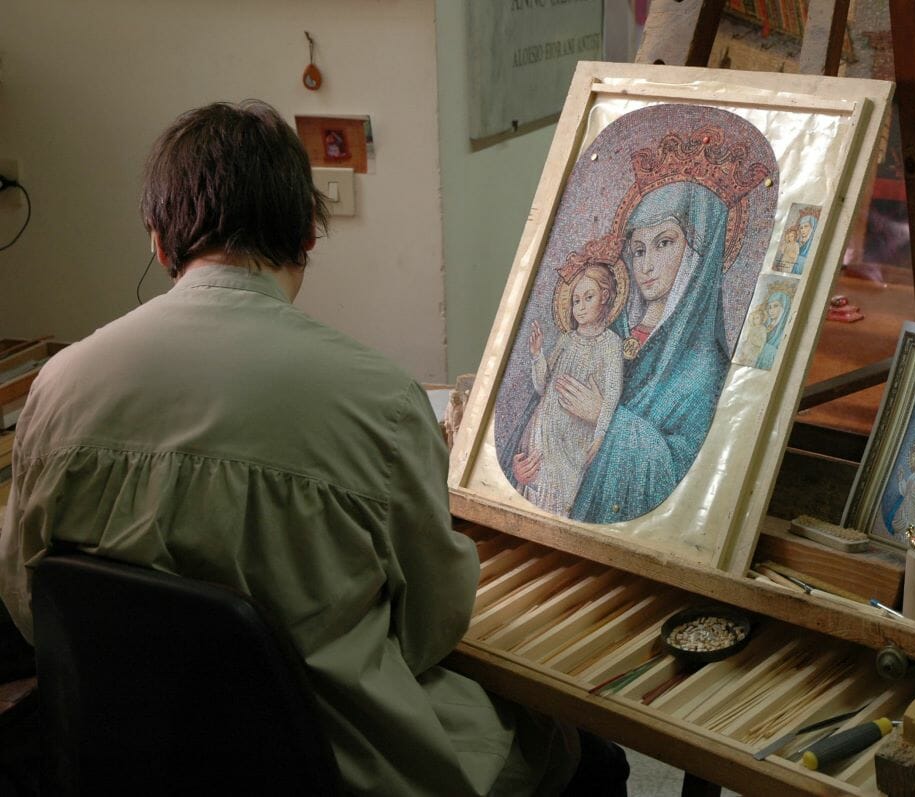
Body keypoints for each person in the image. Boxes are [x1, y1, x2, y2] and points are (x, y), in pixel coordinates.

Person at [0, 101, 613, 796]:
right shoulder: (377, 402)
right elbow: (431, 627)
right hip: (338, 770)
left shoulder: (56, 386)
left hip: (135, 758)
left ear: (158, 242)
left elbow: (29, 603)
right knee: (578, 750)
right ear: (307, 236)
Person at [514, 180, 733, 524]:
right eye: (638, 250)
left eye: (664, 243)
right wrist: (526, 461)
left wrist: (606, 418)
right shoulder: (606, 334)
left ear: (697, 254)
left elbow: (687, 475)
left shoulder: (703, 365)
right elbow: (544, 405)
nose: (645, 265)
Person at [518, 258, 624, 516]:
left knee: (563, 492)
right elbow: (543, 386)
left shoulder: (611, 345)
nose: (581, 307)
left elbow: (611, 395)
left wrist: (599, 438)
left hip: (576, 439)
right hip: (544, 433)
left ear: (606, 297)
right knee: (538, 486)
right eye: (576, 301)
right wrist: (537, 356)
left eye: (589, 297)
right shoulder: (566, 340)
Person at [753, 287, 791, 370]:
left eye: (775, 306)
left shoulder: (786, 328)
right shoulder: (764, 326)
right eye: (769, 307)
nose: (771, 310)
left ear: (784, 307)